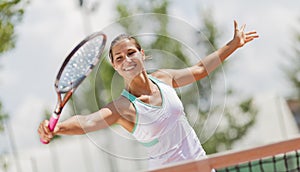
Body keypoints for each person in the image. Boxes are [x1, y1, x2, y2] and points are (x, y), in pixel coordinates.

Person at [38, 20, 258, 169]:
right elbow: (88, 121)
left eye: (131, 53)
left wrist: (233, 45)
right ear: (115, 67)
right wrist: (57, 128)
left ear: (142, 54)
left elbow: (200, 70)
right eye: (119, 58)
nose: (127, 60)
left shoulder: (164, 78)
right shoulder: (122, 108)